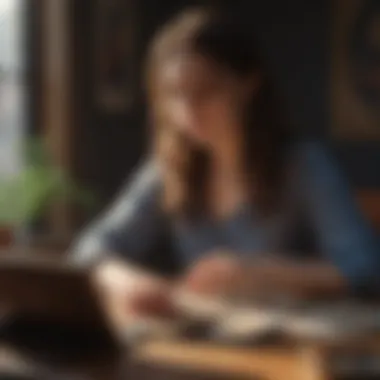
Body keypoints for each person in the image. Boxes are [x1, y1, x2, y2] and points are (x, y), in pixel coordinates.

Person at [71, 7, 379, 321]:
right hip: (203, 346)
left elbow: (364, 268)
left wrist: (257, 272)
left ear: (248, 84)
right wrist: (128, 283)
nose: (188, 110)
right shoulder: (168, 168)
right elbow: (91, 249)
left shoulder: (304, 166)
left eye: (205, 91)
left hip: (286, 353)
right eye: (174, 94)